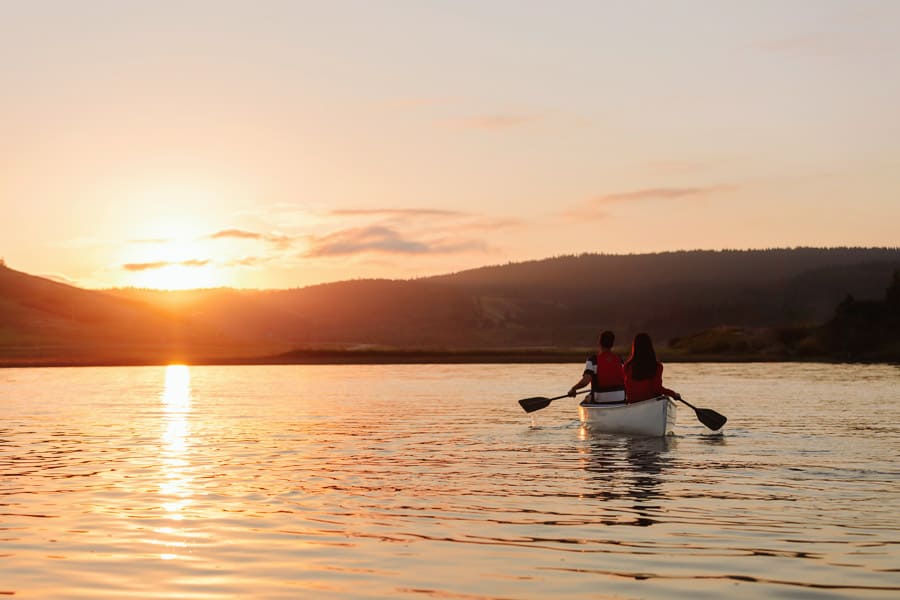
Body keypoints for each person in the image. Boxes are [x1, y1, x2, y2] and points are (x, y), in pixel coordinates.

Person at [567, 330, 625, 403]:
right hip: (620, 399)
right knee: (591, 395)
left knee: (587, 398)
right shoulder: (620, 360)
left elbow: (585, 382)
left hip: (600, 399)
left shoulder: (592, 360)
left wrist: (573, 389)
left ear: (600, 343)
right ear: (612, 344)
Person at [623, 332, 681, 403]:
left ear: (635, 347)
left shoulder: (627, 366)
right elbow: (657, 388)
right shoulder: (657, 366)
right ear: (650, 347)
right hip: (650, 401)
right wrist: (673, 394)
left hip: (633, 402)